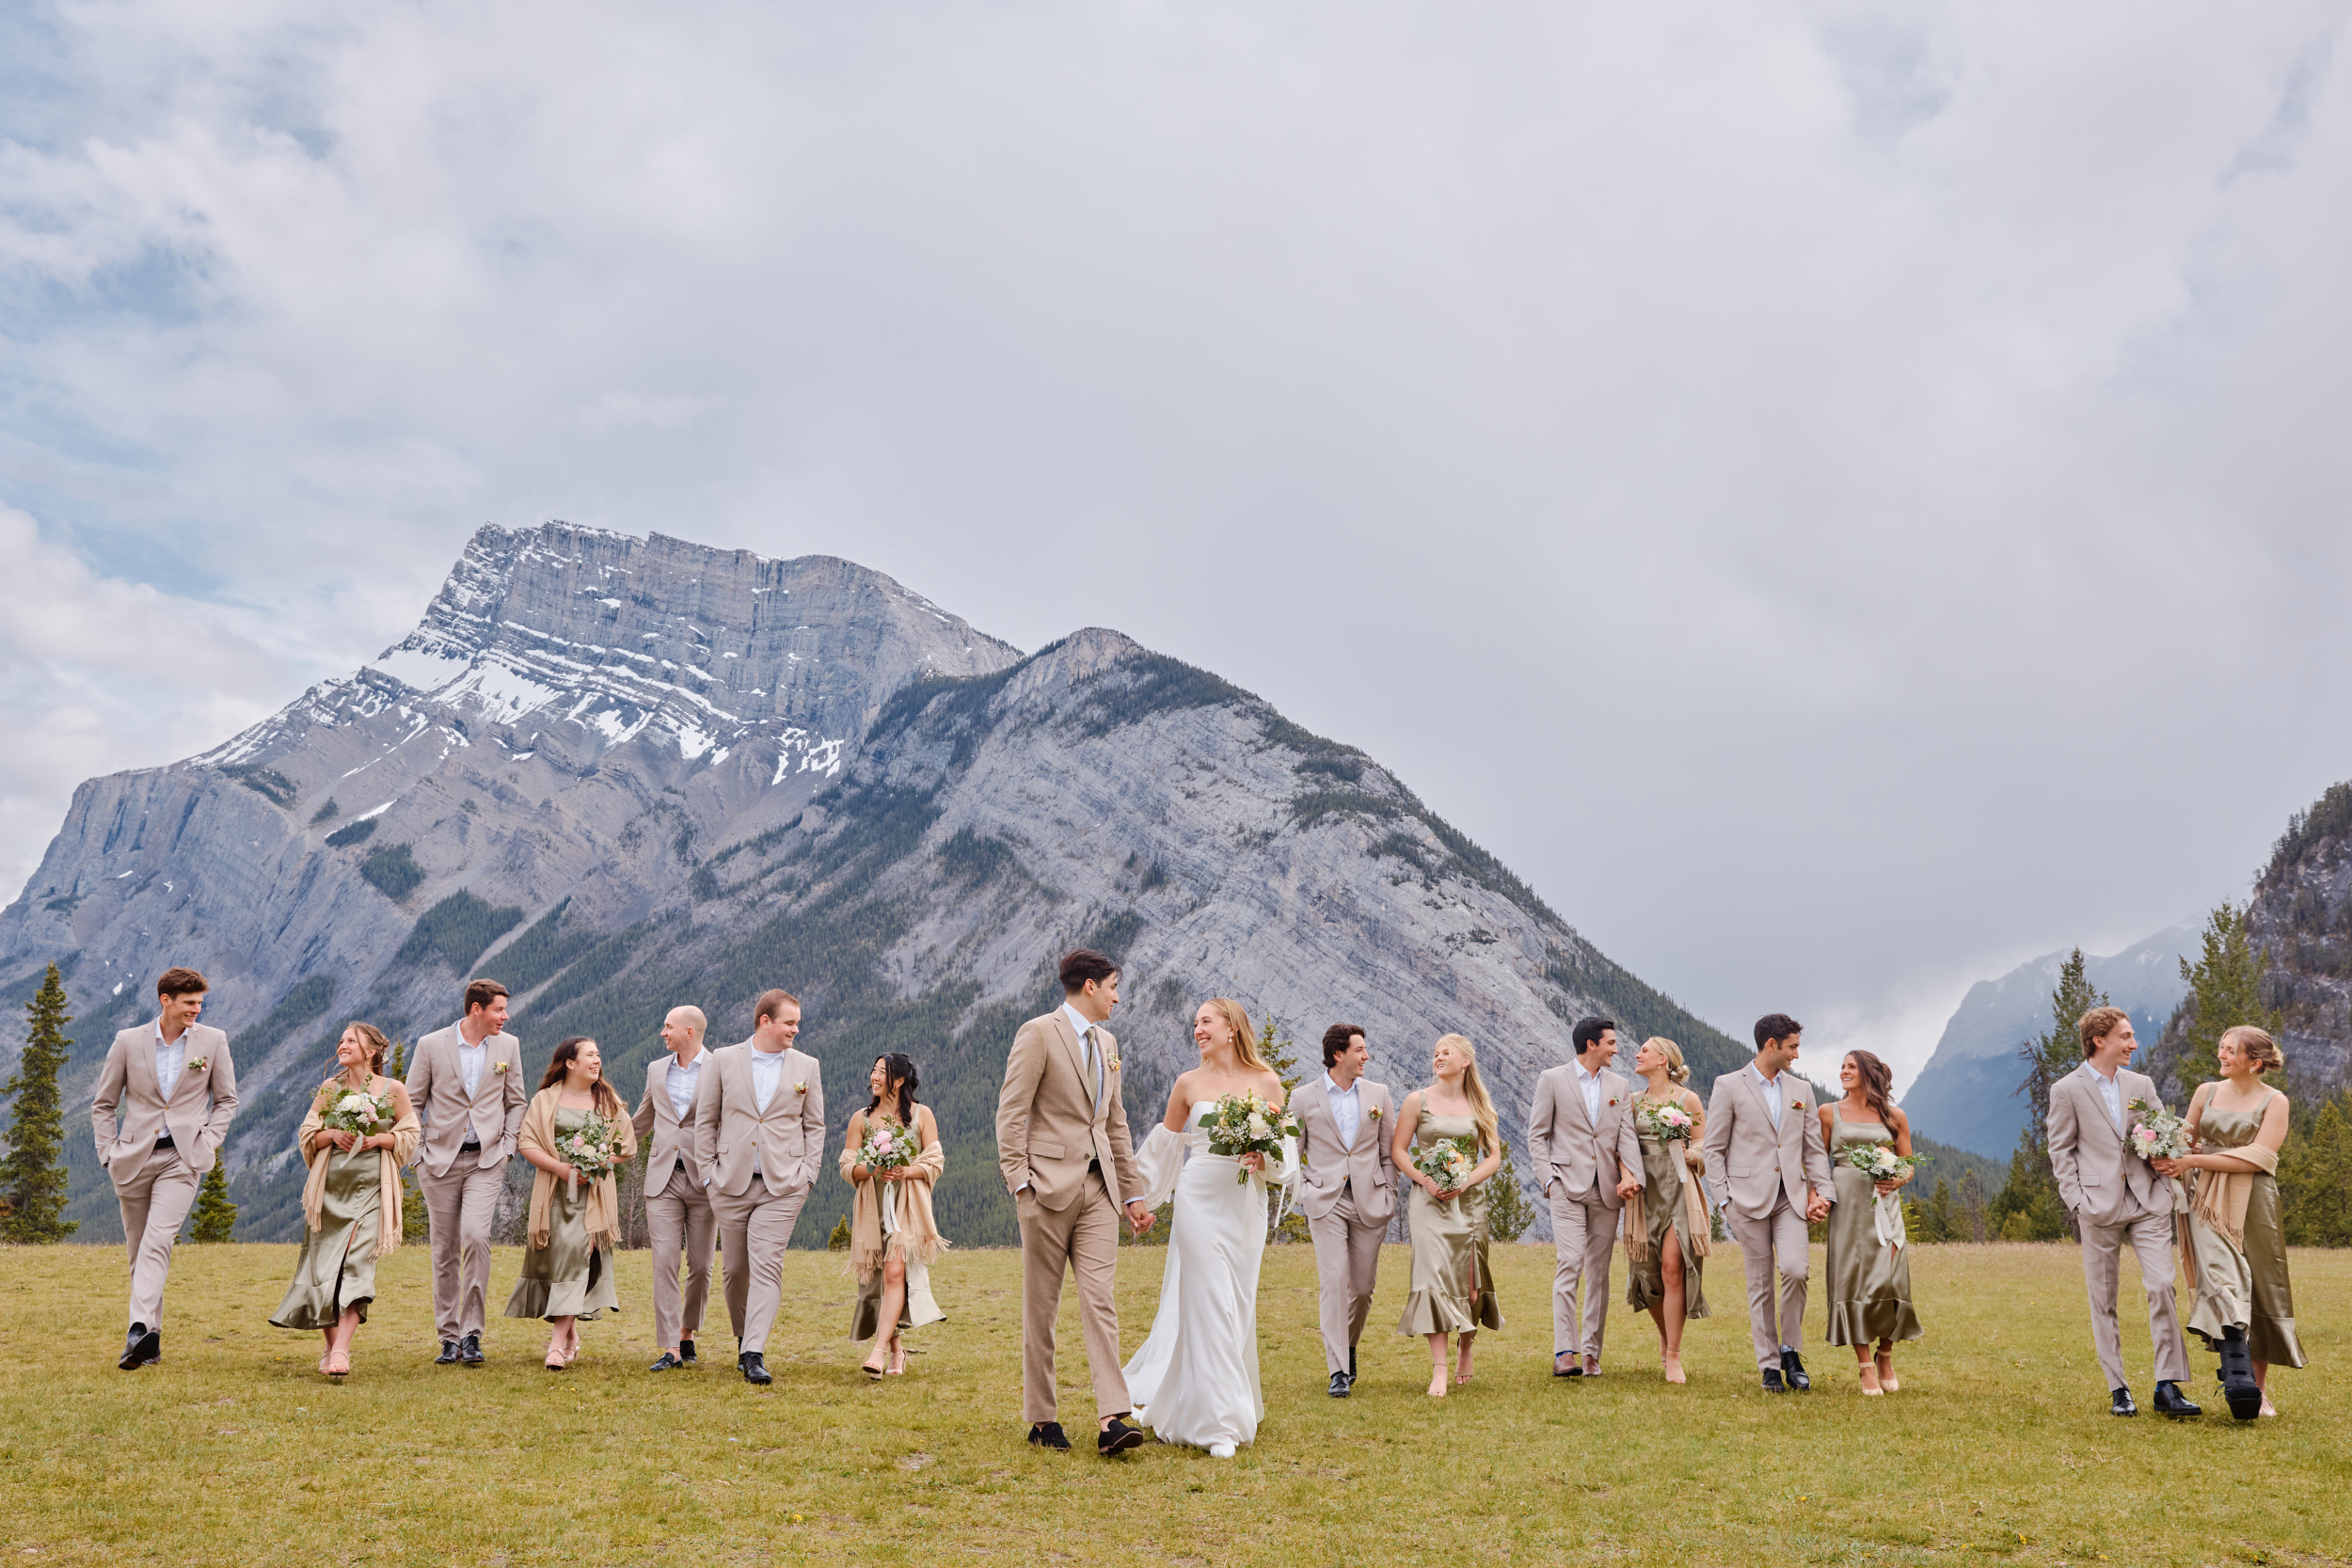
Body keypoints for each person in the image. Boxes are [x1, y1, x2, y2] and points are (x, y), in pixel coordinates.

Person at [993, 948, 1155, 1456]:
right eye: (1112, 986)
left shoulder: (1108, 1042)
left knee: (1100, 1300)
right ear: (1089, 986)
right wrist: (1020, 1184)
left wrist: (1131, 1193)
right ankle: (1042, 1419)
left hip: (1099, 1189)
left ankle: (1113, 1417)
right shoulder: (1038, 1032)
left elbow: (1115, 1122)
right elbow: (1011, 1112)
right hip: (1045, 1188)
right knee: (1041, 1306)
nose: (1116, 996)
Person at [1122, 999, 1298, 1457]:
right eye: (1195, 1023)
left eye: (1206, 1021)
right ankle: (1220, 1424)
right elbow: (1163, 1147)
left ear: (1231, 1028)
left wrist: (1266, 1159)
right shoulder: (1188, 1083)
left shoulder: (1266, 1082)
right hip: (1198, 1197)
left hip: (1244, 1203)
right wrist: (1138, 1199)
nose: (1197, 1030)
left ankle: (1184, 1403)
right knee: (1209, 1300)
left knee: (1236, 1303)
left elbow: (1286, 1152)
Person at [2046, 1006, 2200, 1418]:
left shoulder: (2140, 1083)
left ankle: (2167, 1385)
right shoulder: (2067, 1089)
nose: (2134, 1044)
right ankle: (2119, 1389)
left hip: (2148, 1200)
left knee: (2162, 1285)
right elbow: (2060, 1151)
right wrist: (2077, 1201)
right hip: (2097, 1207)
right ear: (2100, 1041)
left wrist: (2167, 1171)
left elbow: (2157, 1131)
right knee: (2104, 1299)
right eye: (2126, 1036)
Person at [90, 965, 238, 1371]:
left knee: (159, 1238)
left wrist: (207, 1141)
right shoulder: (127, 1041)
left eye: (200, 1003)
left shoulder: (213, 1041)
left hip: (182, 1158)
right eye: (190, 1003)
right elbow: (104, 1104)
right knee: (140, 1251)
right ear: (166, 1001)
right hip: (133, 1157)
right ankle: (148, 1345)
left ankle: (137, 1329)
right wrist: (108, 1152)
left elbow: (226, 1100)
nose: (197, 1009)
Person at [2153, 1025, 2303, 1419]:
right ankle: (2237, 1369)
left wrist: (2194, 1159)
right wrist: (2157, 1145)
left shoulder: (2275, 1101)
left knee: (2259, 1284)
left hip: (2253, 1199)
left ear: (2254, 1062)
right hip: (2206, 1196)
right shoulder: (2206, 1092)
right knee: (2223, 1276)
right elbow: (2184, 1139)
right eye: (2221, 1047)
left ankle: (2258, 1390)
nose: (2221, 1054)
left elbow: (2259, 1156)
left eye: (2230, 1050)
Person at [270, 1022, 421, 1376]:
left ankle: (341, 1348)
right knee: (322, 1269)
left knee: (357, 1266)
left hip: (373, 1190)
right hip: (329, 1191)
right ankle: (329, 1345)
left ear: (370, 1051)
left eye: (351, 1041)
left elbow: (411, 1133)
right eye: (341, 1040)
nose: (343, 1045)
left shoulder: (392, 1089)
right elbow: (308, 1133)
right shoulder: (330, 1088)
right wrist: (331, 1133)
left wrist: (380, 1141)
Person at [695, 989, 828, 1386]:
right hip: (729, 1182)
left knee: (768, 1266)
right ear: (765, 1022)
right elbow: (706, 1120)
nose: (796, 1030)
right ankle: (742, 1339)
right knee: (736, 1270)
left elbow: (815, 1125)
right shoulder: (723, 1059)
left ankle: (754, 1352)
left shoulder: (807, 1065)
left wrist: (808, 1174)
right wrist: (708, 1174)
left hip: (784, 1185)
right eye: (790, 1023)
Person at [1701, 1013, 1833, 1393]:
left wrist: (1823, 1193)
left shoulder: (1801, 1089)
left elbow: (1812, 1149)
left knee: (1795, 1270)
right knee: (1759, 1284)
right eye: (1792, 1047)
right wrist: (1724, 1201)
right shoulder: (1728, 1086)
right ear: (1770, 1045)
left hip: (1790, 1199)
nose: (1796, 1054)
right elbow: (1714, 1148)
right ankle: (1769, 1366)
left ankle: (1790, 1349)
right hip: (1745, 1200)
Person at [405, 978, 528, 1366]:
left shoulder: (508, 1046)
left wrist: (508, 1146)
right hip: (437, 1161)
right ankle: (448, 1337)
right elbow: (410, 1102)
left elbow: (517, 1100)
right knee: (444, 1249)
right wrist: (417, 1154)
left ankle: (472, 1333)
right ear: (477, 1009)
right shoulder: (431, 1044)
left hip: (487, 1159)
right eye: (498, 1010)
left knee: (476, 1236)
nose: (505, 1017)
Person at [505, 1036, 638, 1370]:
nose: (597, 1060)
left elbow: (627, 1147)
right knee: (562, 1261)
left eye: (599, 1054)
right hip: (554, 1193)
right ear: (569, 1062)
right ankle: (571, 1335)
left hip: (592, 1196)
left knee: (579, 1256)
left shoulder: (608, 1101)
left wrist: (599, 1161)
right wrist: (561, 1168)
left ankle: (554, 1346)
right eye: (590, 1055)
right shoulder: (545, 1100)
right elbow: (528, 1143)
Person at [1528, 1016, 1644, 1378]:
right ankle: (1565, 1351)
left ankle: (1592, 1353)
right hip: (1566, 1186)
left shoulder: (1619, 1085)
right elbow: (1537, 1135)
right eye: (1610, 1042)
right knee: (1570, 1262)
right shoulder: (1552, 1079)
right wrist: (1549, 1180)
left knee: (1599, 1272)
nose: (1616, 1049)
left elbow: (1626, 1137)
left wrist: (1633, 1178)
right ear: (1591, 1044)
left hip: (1609, 1190)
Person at [1391, 1032, 1504, 1399]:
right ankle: (1439, 1368)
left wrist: (1466, 1181)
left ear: (1464, 1062)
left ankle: (1466, 1346)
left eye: (1446, 1053)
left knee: (1470, 1290)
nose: (1438, 1057)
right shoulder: (1417, 1101)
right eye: (1435, 1052)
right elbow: (1399, 1151)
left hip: (1469, 1203)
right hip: (1427, 1201)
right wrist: (1425, 1180)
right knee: (1431, 1279)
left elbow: (1493, 1157)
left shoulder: (1480, 1105)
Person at [1292, 1022, 1396, 1398]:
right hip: (1326, 1202)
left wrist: (1390, 1194)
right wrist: (1303, 1193)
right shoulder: (1303, 1097)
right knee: (1334, 1282)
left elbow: (1388, 1152)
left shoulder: (1379, 1094)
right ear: (1339, 1055)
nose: (1366, 1056)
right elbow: (1293, 1152)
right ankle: (1337, 1369)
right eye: (1359, 1050)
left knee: (1363, 1289)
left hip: (1371, 1200)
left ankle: (1348, 1348)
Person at [1820, 1050, 1921, 1394]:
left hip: (1884, 1203)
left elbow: (1908, 1163)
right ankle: (1865, 1365)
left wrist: (1896, 1179)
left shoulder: (1894, 1115)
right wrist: (1816, 1198)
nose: (1844, 1071)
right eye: (1843, 1066)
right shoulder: (1828, 1112)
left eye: (1851, 1066)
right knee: (1853, 1279)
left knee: (1890, 1278)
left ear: (1868, 1073)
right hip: (1847, 1205)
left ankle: (1886, 1354)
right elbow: (1818, 1164)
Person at [840, 1053, 946, 1379]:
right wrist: (871, 1166)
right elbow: (846, 1165)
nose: (874, 1077)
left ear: (898, 1081)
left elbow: (936, 1159)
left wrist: (907, 1170)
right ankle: (897, 1351)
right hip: (873, 1204)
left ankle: (878, 1350)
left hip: (908, 1206)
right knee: (878, 1280)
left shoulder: (921, 1115)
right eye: (873, 1070)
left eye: (881, 1072)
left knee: (893, 1274)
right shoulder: (861, 1118)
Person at [632, 1005, 716, 1372]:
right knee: (664, 1262)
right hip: (662, 1177)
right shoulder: (656, 1070)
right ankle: (670, 1347)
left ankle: (687, 1332)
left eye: (668, 1027)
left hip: (707, 1179)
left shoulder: (721, 1069)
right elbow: (642, 1118)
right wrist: (602, 1150)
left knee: (700, 1265)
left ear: (689, 1032)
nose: (662, 1033)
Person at [1623, 1036, 1709, 1384]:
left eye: (1644, 1050)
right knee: (1649, 1274)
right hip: (1645, 1194)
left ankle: (1673, 1354)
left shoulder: (1688, 1099)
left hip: (1679, 1190)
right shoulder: (1630, 1102)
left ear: (1663, 1060)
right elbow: (1621, 1148)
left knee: (1674, 1269)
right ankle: (1664, 1333)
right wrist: (1626, 1175)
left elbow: (1705, 1145)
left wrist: (1688, 1152)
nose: (1637, 1054)